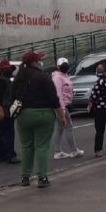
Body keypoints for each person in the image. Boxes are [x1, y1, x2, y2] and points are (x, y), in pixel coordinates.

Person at [12, 51, 67, 188]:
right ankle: (42, 177)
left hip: (23, 115)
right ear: (35, 62)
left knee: (26, 146)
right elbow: (54, 100)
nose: (41, 61)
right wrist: (62, 116)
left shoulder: (19, 77)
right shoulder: (43, 77)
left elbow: (13, 96)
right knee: (42, 147)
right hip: (43, 114)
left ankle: (25, 176)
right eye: (39, 59)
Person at [51, 58, 84, 159]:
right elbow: (58, 94)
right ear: (58, 67)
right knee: (68, 127)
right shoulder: (57, 78)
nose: (65, 66)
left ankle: (57, 151)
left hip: (64, 105)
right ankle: (74, 150)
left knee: (60, 128)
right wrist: (62, 110)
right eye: (63, 65)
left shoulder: (64, 76)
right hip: (61, 107)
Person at [0, 60, 20, 164]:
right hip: (3, 110)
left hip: (6, 110)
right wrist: (0, 111)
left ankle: (2, 154)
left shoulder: (4, 80)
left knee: (3, 133)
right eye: (7, 69)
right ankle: (10, 155)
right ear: (2, 71)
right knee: (8, 133)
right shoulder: (1, 81)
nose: (10, 71)